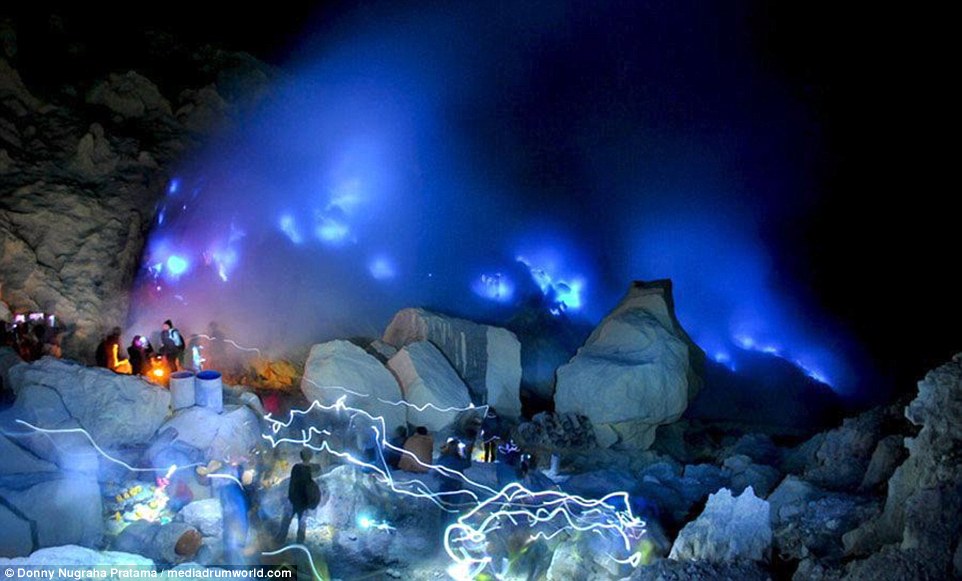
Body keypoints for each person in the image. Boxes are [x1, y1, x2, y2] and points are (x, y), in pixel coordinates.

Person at [278, 448, 323, 544]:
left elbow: (292, 483)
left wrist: (290, 496)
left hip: (294, 499)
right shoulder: (312, 468)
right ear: (310, 457)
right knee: (302, 523)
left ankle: (280, 539)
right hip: (304, 501)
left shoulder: (296, 468)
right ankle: (299, 543)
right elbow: (318, 472)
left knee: (286, 520)